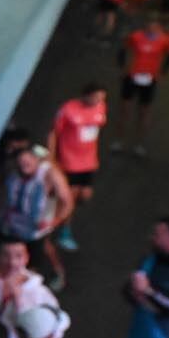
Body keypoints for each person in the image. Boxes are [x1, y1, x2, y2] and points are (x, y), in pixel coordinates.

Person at [0, 145, 75, 289]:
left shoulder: (49, 174)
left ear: (37, 161)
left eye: (28, 164)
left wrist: (54, 221)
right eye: (20, 164)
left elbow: (67, 202)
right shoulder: (11, 170)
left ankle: (57, 272)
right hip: (10, 225)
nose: (24, 168)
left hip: (34, 229)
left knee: (35, 261)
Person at [47, 83, 108, 255]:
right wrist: (52, 159)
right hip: (70, 162)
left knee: (85, 195)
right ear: (85, 95)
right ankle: (61, 231)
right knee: (70, 199)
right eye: (95, 97)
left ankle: (59, 213)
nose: (98, 101)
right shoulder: (68, 110)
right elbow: (53, 133)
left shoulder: (101, 107)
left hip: (89, 162)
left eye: (101, 98)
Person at [112, 17, 169, 153]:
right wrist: (122, 68)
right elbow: (123, 49)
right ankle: (119, 140)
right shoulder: (136, 37)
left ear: (159, 28)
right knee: (125, 110)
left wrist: (163, 73)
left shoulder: (164, 40)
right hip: (132, 76)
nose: (151, 30)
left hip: (150, 79)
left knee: (144, 112)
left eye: (155, 28)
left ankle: (139, 143)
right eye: (149, 27)